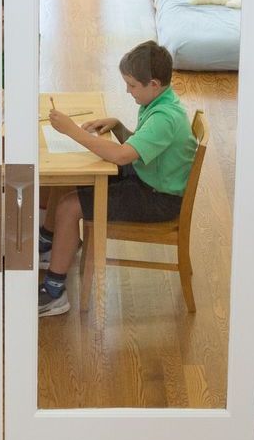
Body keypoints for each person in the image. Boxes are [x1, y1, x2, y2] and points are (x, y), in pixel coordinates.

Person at [39, 40, 195, 317]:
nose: (127, 90)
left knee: (69, 206)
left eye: (132, 85)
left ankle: (55, 292)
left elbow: (122, 156)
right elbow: (144, 145)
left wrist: (73, 131)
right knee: (67, 179)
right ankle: (50, 244)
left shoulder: (165, 118)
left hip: (157, 199)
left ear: (154, 84)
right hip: (147, 180)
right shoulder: (159, 102)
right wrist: (119, 127)